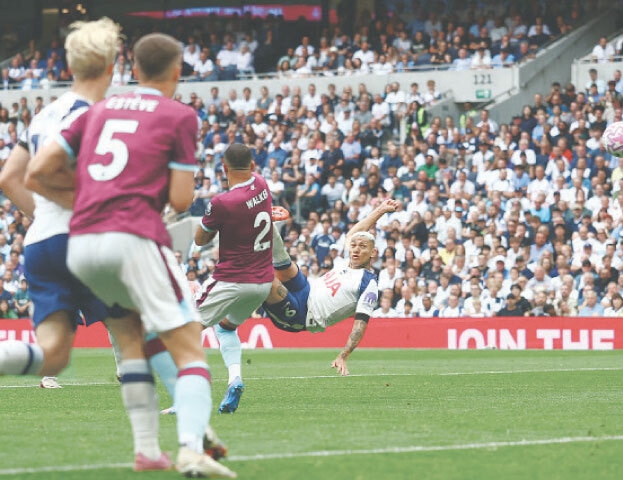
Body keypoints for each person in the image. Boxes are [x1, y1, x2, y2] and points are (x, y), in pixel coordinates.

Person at [28, 33, 235, 477]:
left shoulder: (98, 110)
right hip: (133, 235)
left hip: (81, 245)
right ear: (178, 72)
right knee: (190, 346)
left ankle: (161, 444)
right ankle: (189, 449)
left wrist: (88, 197)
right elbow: (181, 201)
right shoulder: (179, 115)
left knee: (137, 337)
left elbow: (39, 170)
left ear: (133, 70)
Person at [0, 19, 125, 391]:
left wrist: (45, 217)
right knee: (135, 328)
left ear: (69, 65)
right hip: (87, 239)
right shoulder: (100, 115)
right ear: (111, 66)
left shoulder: (42, 115)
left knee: (54, 353)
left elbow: (9, 178)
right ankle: (154, 443)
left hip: (42, 240)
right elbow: (45, 174)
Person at [218, 198, 398, 389]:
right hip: (306, 289)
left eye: (363, 247)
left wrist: (344, 355)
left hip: (303, 315)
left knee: (267, 278)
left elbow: (360, 324)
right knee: (285, 263)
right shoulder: (348, 261)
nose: (355, 249)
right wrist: (380, 210)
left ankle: (226, 300)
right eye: (354, 245)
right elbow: (355, 233)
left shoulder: (368, 284)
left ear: (373, 253)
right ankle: (267, 223)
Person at [193, 143, 275, 414]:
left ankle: (188, 398)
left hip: (232, 279)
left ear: (224, 168)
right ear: (253, 166)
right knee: (225, 328)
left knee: (184, 328)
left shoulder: (222, 203)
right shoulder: (262, 184)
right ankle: (235, 379)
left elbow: (200, 238)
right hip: (262, 283)